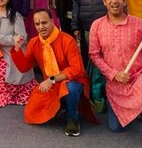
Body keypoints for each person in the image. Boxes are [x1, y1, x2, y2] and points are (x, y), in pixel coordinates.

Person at [89, 0, 142, 147]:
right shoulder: (97, 25)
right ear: (104, 1)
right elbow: (94, 55)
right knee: (115, 128)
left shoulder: (138, 24)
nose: (114, 1)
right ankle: (140, 109)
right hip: (116, 83)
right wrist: (113, 74)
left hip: (139, 75)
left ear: (124, 1)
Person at [11, 9, 96, 137]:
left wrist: (51, 80)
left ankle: (72, 118)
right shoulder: (34, 42)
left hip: (73, 81)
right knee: (31, 113)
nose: (41, 27)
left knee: (70, 88)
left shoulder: (67, 40)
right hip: (52, 85)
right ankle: (63, 105)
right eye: (37, 24)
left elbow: (76, 69)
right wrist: (17, 49)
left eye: (44, 22)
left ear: (52, 21)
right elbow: (24, 67)